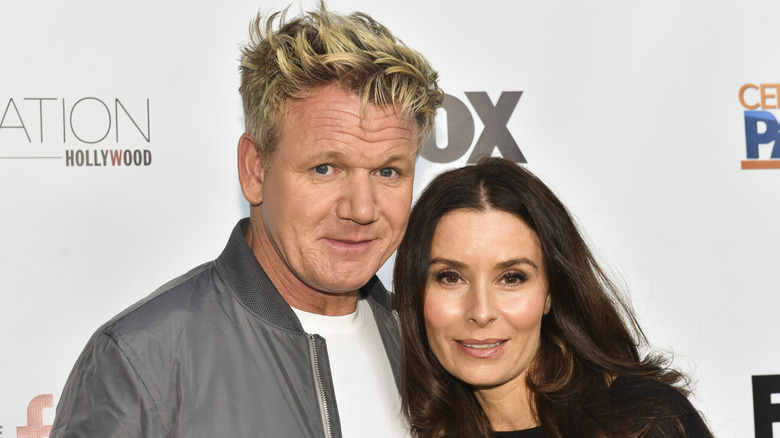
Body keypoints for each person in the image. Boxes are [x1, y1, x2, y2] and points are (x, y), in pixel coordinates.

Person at [50, 4, 442, 437]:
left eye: (387, 172)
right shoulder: (141, 360)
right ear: (255, 170)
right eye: (325, 169)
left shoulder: (430, 346)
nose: (361, 209)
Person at [394, 157, 713, 438]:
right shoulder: (409, 428)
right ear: (416, 291)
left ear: (550, 292)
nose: (481, 311)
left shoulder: (644, 422)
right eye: (450, 277)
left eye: (511, 278)